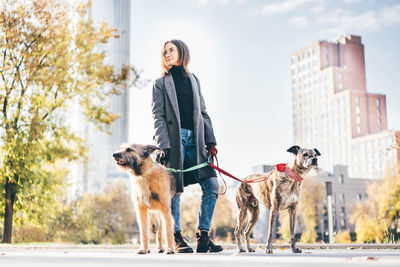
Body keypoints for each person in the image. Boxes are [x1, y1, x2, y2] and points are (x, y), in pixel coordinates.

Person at [151, 39, 223, 253]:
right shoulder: (160, 83)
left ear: (182, 52)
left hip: (197, 140)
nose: (167, 54)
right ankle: (175, 237)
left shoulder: (194, 80)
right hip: (174, 140)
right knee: (174, 189)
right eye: (164, 51)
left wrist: (211, 140)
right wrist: (163, 145)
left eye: (171, 50)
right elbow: (158, 116)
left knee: (212, 185)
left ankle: (203, 236)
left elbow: (203, 112)